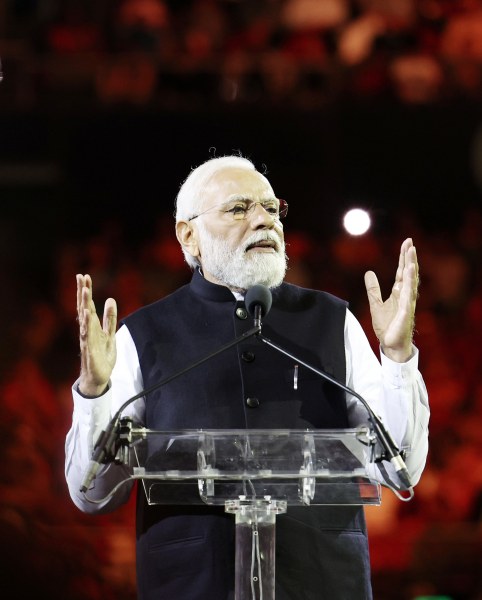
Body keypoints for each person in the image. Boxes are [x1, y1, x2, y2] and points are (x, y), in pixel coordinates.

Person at [65, 155, 429, 600]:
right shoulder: (143, 335)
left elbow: (401, 471)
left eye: (272, 209)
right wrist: (95, 392)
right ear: (189, 235)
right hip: (191, 585)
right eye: (239, 209)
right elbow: (91, 493)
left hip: (324, 583)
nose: (264, 221)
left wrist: (396, 357)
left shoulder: (333, 321)